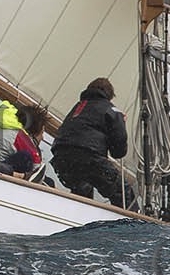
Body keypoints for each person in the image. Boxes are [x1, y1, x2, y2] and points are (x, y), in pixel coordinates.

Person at [51, 77, 130, 207]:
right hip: (89, 158)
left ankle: (78, 219)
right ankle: (132, 224)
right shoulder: (112, 111)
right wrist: (121, 123)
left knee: (82, 190)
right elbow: (118, 152)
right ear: (109, 96)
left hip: (61, 159)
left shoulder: (77, 108)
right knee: (123, 193)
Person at [0, 101, 47, 181]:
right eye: (42, 133)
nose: (43, 138)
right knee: (25, 158)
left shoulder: (5, 128)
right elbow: (37, 170)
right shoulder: (21, 137)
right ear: (35, 131)